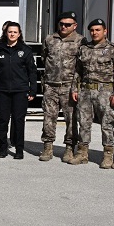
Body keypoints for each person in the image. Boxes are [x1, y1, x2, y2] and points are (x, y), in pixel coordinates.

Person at [71, 19, 114, 168]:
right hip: (86, 90)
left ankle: (108, 154)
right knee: (84, 122)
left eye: (98, 30)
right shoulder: (84, 48)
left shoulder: (113, 49)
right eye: (92, 30)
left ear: (105, 31)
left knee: (107, 123)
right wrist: (75, 88)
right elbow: (78, 71)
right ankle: (82, 153)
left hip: (105, 90)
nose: (94, 33)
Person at [0, 21, 37, 159]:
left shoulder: (26, 50)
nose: (12, 34)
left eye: (15, 32)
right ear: (6, 33)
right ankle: (3, 147)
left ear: (19, 34)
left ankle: (19, 149)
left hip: (20, 91)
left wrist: (33, 90)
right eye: (10, 32)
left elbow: (32, 72)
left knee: (18, 120)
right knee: (2, 120)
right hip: (2, 90)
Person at [40, 12, 83, 162]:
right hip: (51, 85)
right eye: (62, 24)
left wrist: (76, 87)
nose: (64, 27)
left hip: (69, 86)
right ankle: (48, 146)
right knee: (48, 117)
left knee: (71, 119)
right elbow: (44, 57)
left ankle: (69, 148)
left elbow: (81, 66)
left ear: (75, 26)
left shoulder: (80, 41)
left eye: (68, 24)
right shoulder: (50, 39)